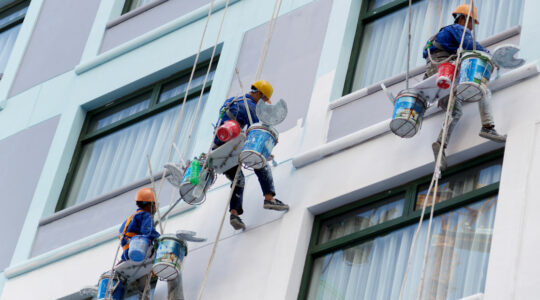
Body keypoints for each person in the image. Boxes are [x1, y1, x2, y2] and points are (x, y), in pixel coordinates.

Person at [423, 4, 506, 170]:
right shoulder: (457, 29)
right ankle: (488, 127)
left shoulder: (438, 35)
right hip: (447, 69)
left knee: (455, 112)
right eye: (471, 22)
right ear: (463, 18)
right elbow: (470, 45)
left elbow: (425, 52)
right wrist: (490, 57)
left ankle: (441, 144)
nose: (471, 27)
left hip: (436, 77)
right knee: (483, 89)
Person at [214, 80, 289, 230]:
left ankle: (234, 214)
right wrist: (265, 151)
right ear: (259, 94)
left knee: (238, 179)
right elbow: (256, 132)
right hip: (234, 145)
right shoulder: (251, 108)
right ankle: (269, 199)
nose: (262, 103)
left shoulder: (232, 100)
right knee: (259, 162)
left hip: (218, 149)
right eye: (263, 99)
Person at [118, 188, 185, 300]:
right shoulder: (146, 215)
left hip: (128, 254)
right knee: (172, 267)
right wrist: (160, 239)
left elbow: (123, 234)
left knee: (143, 286)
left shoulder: (131, 217)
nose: (155, 208)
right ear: (149, 205)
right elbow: (147, 231)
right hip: (142, 250)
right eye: (154, 205)